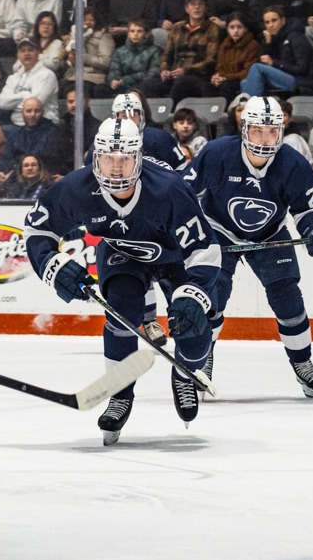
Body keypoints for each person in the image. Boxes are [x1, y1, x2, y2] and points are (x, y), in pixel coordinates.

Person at [25, 117, 220, 442]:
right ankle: (120, 393)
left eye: (124, 159)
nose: (116, 168)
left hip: (173, 258)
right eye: (108, 159)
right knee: (120, 313)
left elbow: (204, 248)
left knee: (196, 329)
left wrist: (195, 293)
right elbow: (37, 227)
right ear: (96, 157)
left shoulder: (168, 189)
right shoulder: (77, 187)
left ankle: (184, 373)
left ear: (138, 158)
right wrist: (52, 263)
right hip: (122, 255)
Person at [183, 97, 313, 397]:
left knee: (287, 297)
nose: (265, 139)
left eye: (272, 131)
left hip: (270, 234)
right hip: (218, 230)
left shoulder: (291, 162)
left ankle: (303, 364)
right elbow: (183, 195)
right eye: (258, 131)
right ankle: (202, 362)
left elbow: (309, 209)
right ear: (244, 129)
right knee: (213, 297)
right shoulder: (216, 154)